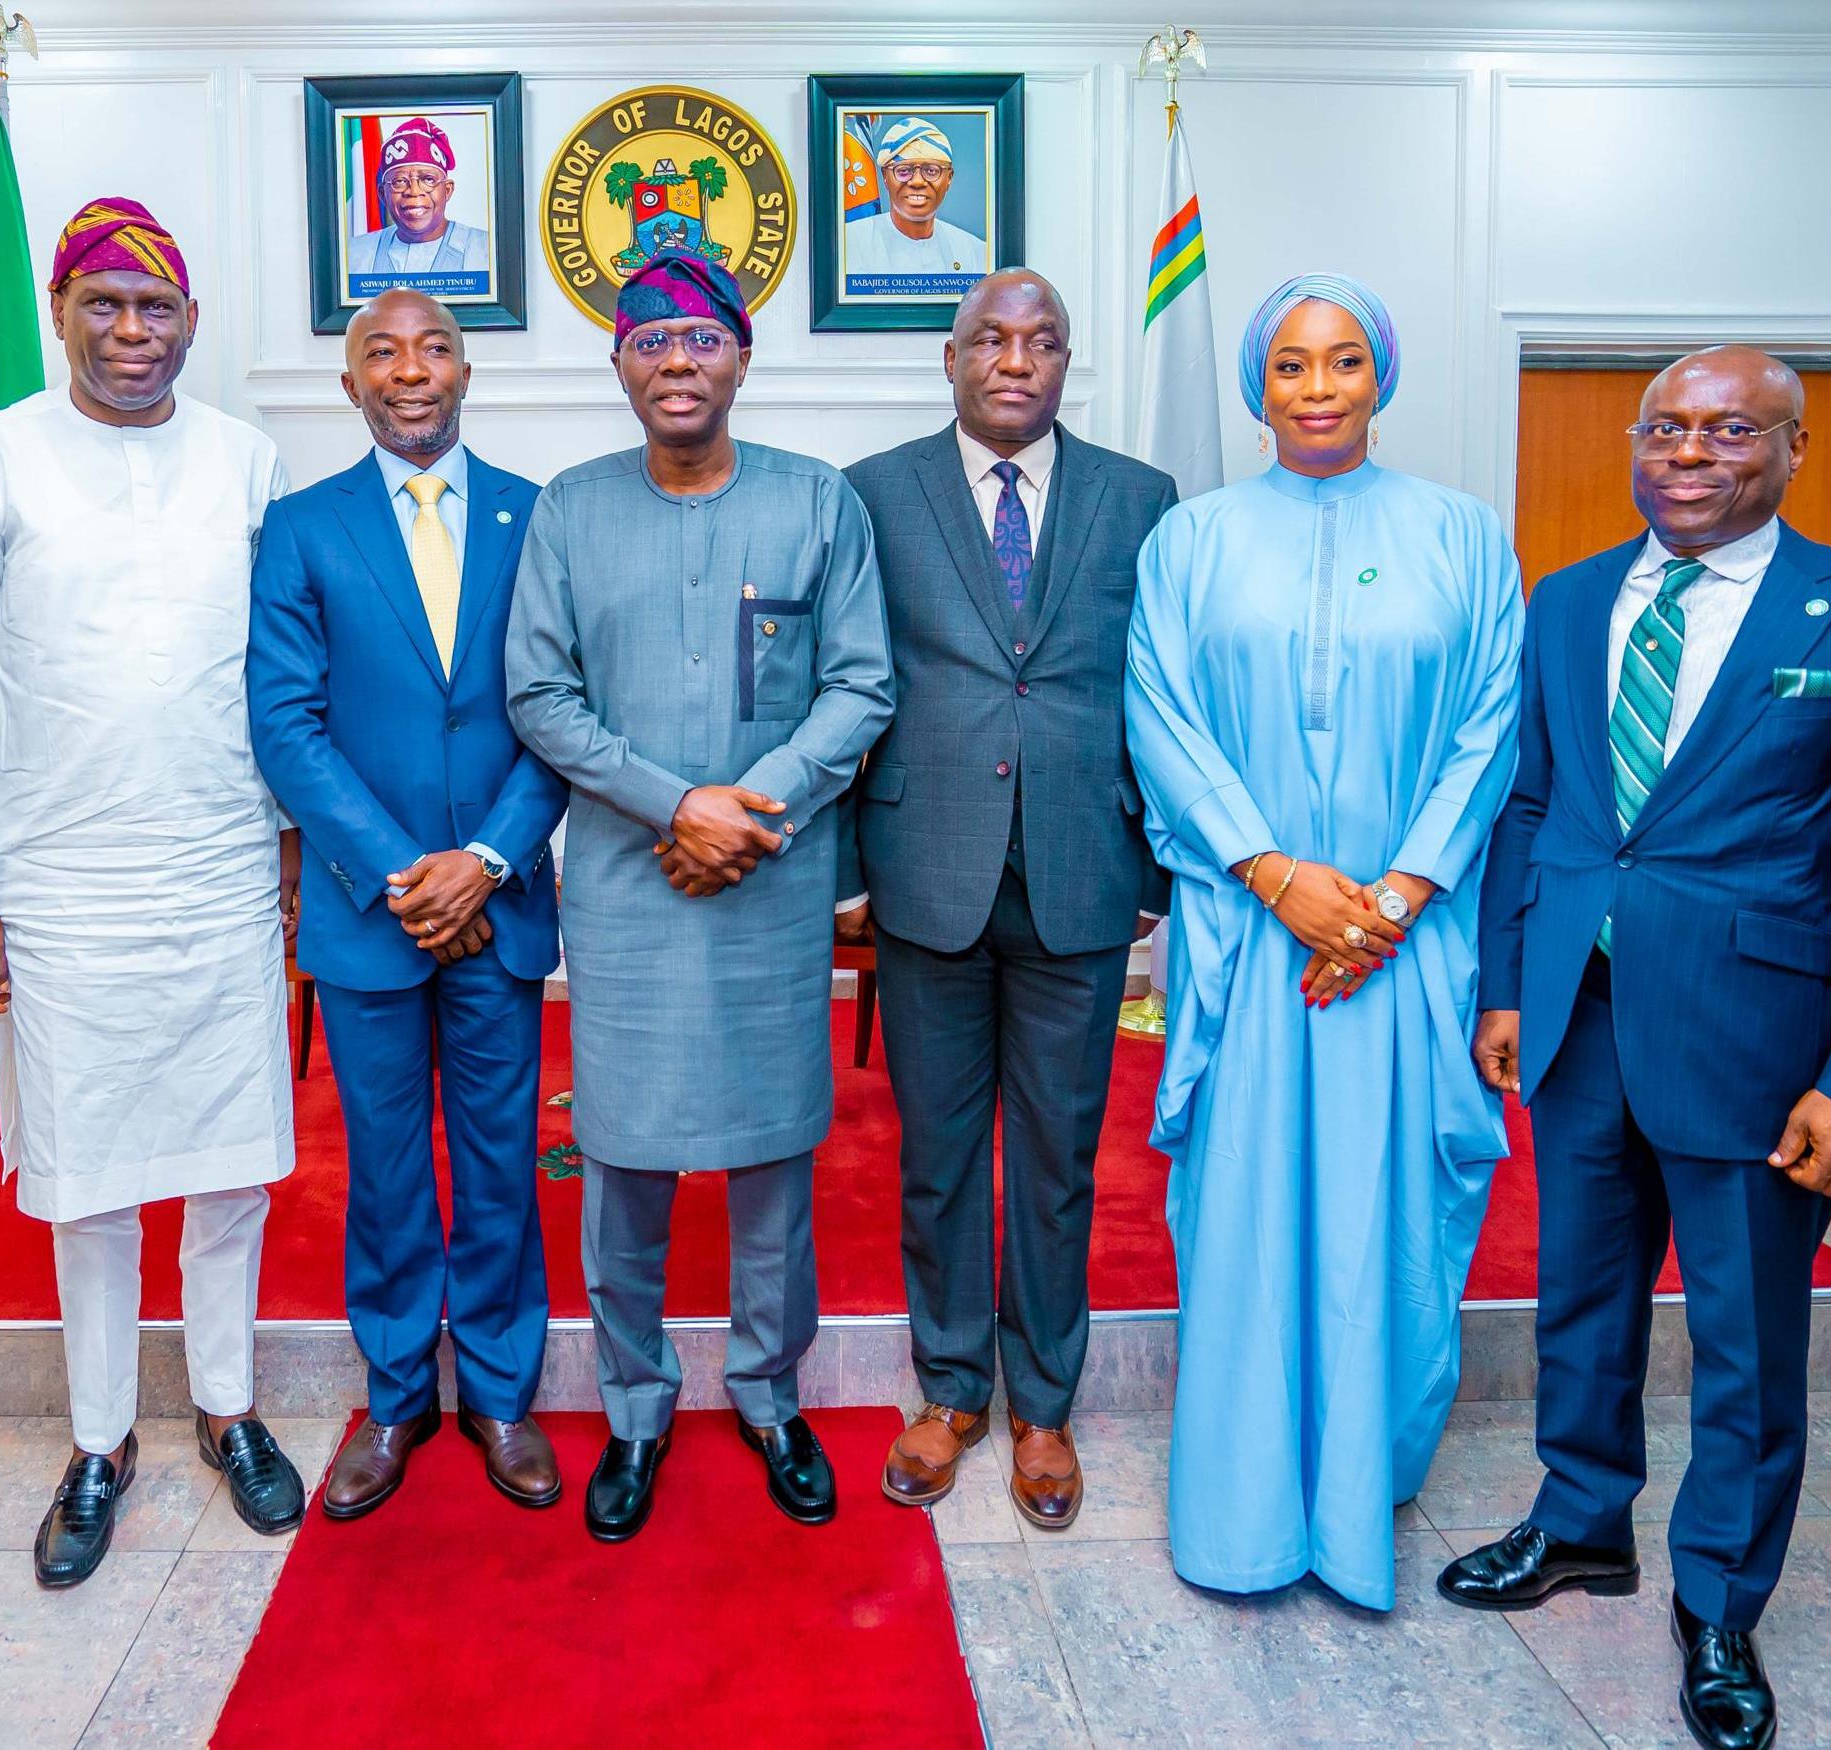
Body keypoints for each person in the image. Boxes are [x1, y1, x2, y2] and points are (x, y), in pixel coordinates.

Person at [1439, 348, 1831, 1750]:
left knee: (1745, 1335)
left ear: (1795, 446)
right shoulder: (1566, 603)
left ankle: (1722, 1600)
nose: (1690, 451)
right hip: (1580, 1020)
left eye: (1730, 429)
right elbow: (1532, 809)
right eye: (1666, 426)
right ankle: (1580, 1521)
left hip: (1760, 1039)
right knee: (1581, 1296)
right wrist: (1508, 981)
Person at [0, 197, 306, 1589]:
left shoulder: (247, 462)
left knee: (230, 1166)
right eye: (104, 305)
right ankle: (98, 1438)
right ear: (64, 311)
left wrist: (298, 846)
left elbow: (282, 675)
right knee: (85, 1182)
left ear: (191, 319)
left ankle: (230, 1404)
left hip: (217, 861)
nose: (132, 332)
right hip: (56, 876)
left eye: (157, 308)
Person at [1122, 272, 1522, 1609]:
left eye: (1343, 362)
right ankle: (1239, 1503)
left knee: (1390, 1212)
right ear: (1255, 387)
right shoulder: (1192, 539)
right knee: (1240, 1206)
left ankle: (1363, 1480)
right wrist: (1277, 874)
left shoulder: (1464, 536)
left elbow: (1487, 727)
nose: (1317, 388)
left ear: (1381, 377)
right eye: (1290, 366)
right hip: (1250, 942)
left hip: (1402, 956)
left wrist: (1395, 900)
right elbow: (1161, 715)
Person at [505, 255, 893, 1542]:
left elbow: (858, 687)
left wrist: (747, 807)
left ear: (741, 358)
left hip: (770, 886)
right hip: (626, 887)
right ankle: (633, 1410)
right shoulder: (570, 509)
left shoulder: (817, 503)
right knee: (621, 1163)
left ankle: (771, 1397)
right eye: (650, 339)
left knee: (775, 1158)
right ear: (618, 364)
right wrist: (679, 806)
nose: (678, 360)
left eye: (702, 338)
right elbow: (540, 697)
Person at [844, 270, 1174, 1530]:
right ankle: (947, 1391)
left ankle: (1041, 1403)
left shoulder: (1140, 498)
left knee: (1054, 1161)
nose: (1015, 359)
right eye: (991, 337)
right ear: (950, 356)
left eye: (1042, 340)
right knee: (935, 1161)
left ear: (1067, 361)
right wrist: (846, 876)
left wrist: (1150, 872)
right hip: (926, 871)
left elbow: (1161, 687)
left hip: (1082, 875)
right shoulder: (874, 492)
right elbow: (851, 677)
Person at [246, 289, 567, 1517]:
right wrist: (405, 873)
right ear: (350, 385)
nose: (410, 370)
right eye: (382, 352)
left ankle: (498, 1390)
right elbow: (285, 722)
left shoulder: (538, 518)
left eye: (433, 348)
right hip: (368, 909)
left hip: (501, 897)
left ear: (466, 370)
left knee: (497, 1160)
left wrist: (482, 860)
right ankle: (395, 1398)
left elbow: (559, 713)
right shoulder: (300, 527)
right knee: (383, 1165)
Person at [350, 117, 493, 283]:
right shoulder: (354, 254)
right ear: (383, 194)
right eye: (399, 181)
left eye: (428, 179)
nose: (414, 191)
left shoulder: (488, 251)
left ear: (447, 190)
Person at [843, 117, 987, 280]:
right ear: (885, 176)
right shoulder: (847, 245)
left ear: (949, 178)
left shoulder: (976, 253)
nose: (917, 181)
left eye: (932, 171)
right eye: (903, 171)